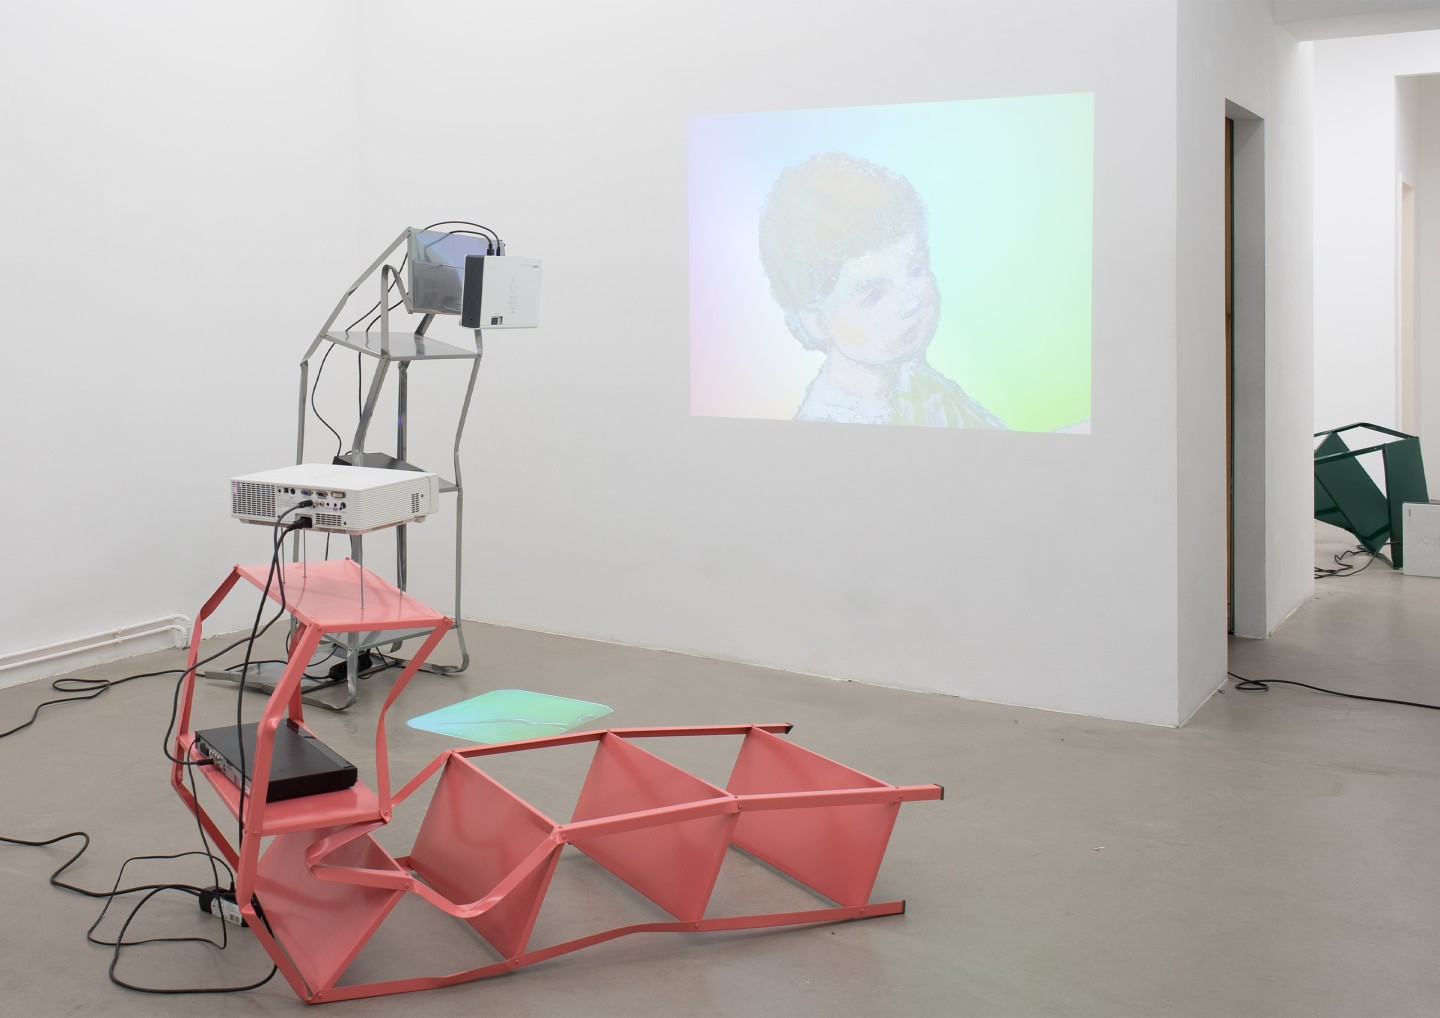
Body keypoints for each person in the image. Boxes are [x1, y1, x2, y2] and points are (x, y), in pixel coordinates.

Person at [758, 152, 1005, 428]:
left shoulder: (922, 386)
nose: (911, 302)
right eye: (874, 294)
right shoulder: (828, 423)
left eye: (916, 269)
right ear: (818, 321)